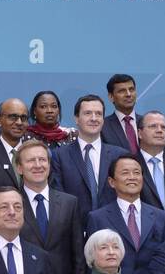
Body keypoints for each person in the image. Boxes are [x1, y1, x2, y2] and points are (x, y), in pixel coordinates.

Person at [85, 157, 165, 274]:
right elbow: (92, 262)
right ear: (111, 182)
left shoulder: (162, 217)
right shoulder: (97, 218)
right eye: (125, 173)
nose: (132, 177)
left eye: (137, 173)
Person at [16, 139, 85, 274]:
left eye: (42, 160)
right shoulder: (10, 204)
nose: (38, 165)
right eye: (31, 161)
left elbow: (78, 255)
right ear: (20, 168)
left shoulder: (70, 203)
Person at [50, 94, 128, 222]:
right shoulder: (59, 156)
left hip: (114, 228)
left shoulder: (119, 155)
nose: (94, 118)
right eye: (87, 113)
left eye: (98, 114)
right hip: (74, 229)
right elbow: (58, 197)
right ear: (76, 118)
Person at [100, 73, 141, 153]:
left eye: (131, 89)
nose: (128, 94)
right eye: (122, 91)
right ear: (111, 97)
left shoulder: (147, 122)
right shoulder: (102, 126)